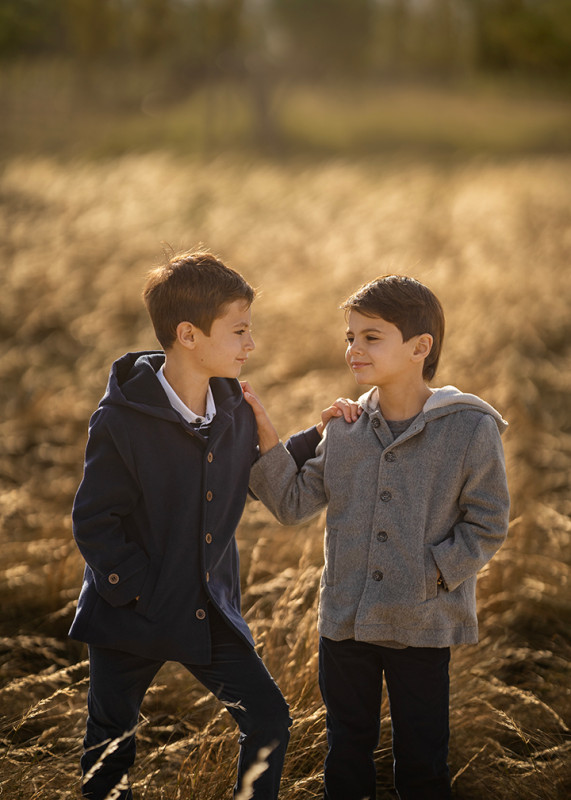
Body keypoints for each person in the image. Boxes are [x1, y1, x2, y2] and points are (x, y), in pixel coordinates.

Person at [69, 251, 349, 800]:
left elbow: (245, 475)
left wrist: (318, 435)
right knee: (110, 744)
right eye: (240, 330)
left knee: (268, 721)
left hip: (207, 607)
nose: (251, 344)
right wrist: (135, 589)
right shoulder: (121, 419)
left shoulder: (234, 408)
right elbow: (95, 520)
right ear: (189, 335)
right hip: (130, 613)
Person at [243, 274, 510, 800]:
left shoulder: (469, 428)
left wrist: (434, 573)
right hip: (345, 622)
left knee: (422, 758)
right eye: (349, 337)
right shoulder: (344, 429)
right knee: (346, 751)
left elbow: (488, 520)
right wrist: (271, 440)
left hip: (422, 622)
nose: (354, 349)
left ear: (420, 347)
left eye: (371, 336)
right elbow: (291, 504)